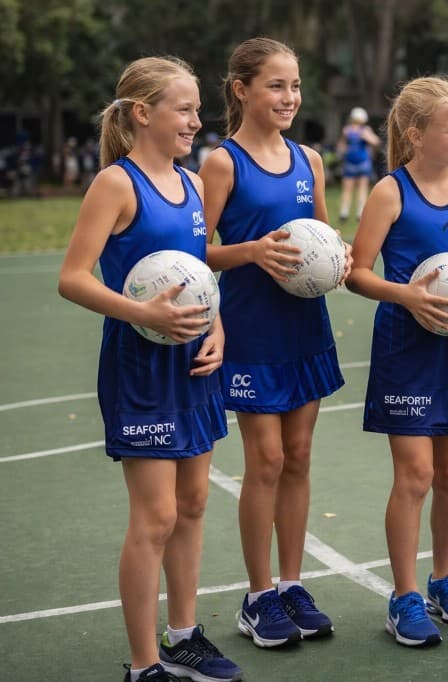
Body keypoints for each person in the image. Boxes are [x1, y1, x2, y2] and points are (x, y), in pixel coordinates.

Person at [57, 56, 242, 682]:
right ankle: (143, 665)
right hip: (139, 365)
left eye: (196, 110)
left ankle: (183, 636)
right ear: (143, 113)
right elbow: (73, 278)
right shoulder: (117, 183)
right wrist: (143, 312)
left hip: (195, 362)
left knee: (192, 504)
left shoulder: (192, 184)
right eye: (183, 109)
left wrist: (216, 326)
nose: (195, 121)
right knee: (156, 516)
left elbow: (198, 271)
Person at [199, 37, 349, 649]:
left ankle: (291, 585)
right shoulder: (222, 163)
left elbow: (321, 235)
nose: (290, 97)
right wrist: (253, 252)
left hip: (305, 325)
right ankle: (258, 596)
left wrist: (337, 256)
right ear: (242, 90)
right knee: (265, 461)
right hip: (251, 329)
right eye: (276, 86)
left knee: (299, 456)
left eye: (295, 86)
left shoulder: (309, 159)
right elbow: (196, 249)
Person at [345, 75, 448, 648]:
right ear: (415, 135)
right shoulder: (391, 192)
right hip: (405, 348)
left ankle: (443, 580)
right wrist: (407, 295)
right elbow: (357, 274)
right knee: (416, 474)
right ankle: (404, 595)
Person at [336, 106, 381, 223]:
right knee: (350, 189)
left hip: (362, 163)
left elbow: (376, 142)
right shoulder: (347, 130)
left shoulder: (363, 130)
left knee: (360, 188)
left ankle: (357, 213)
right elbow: (341, 146)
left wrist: (366, 137)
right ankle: (345, 213)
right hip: (353, 163)